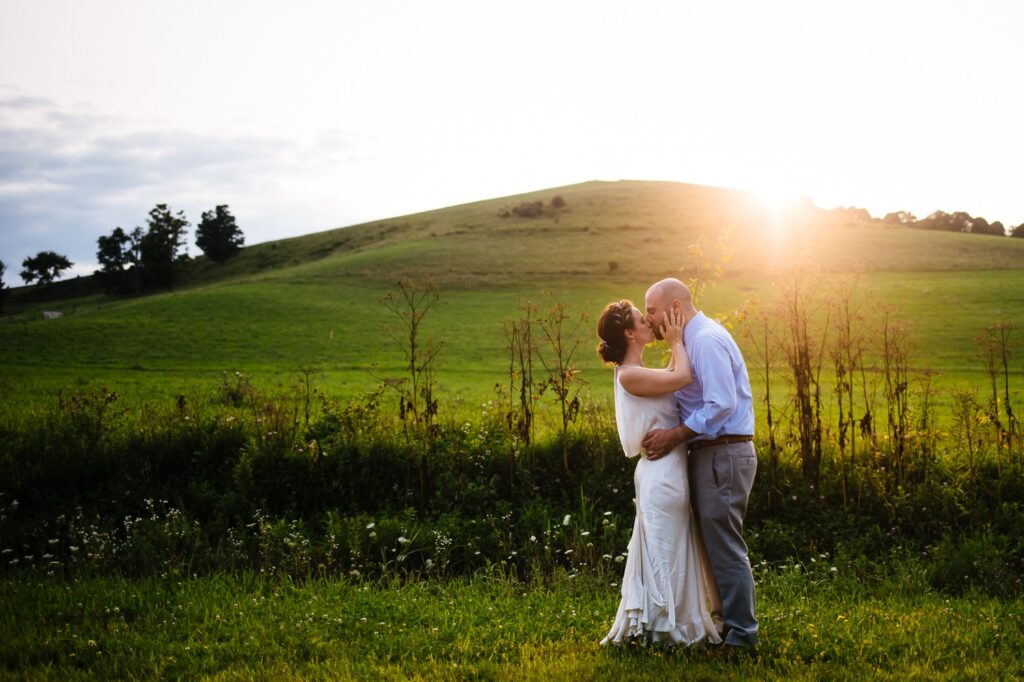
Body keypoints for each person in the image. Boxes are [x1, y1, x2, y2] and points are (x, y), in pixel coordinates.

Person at [641, 277, 759, 655]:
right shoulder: (691, 341)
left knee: (724, 545)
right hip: (711, 452)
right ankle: (725, 626)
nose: (649, 319)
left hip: (723, 451)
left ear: (675, 307)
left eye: (652, 311)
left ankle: (742, 636)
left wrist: (675, 435)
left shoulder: (704, 340)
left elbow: (720, 403)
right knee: (713, 545)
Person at [596, 299, 722, 647]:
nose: (647, 322)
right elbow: (682, 376)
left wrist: (673, 343)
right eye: (641, 319)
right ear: (629, 333)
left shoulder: (640, 372)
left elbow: (671, 377)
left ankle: (668, 623)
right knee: (665, 548)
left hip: (668, 466)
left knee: (674, 543)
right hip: (661, 471)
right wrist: (678, 340)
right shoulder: (629, 374)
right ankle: (665, 629)